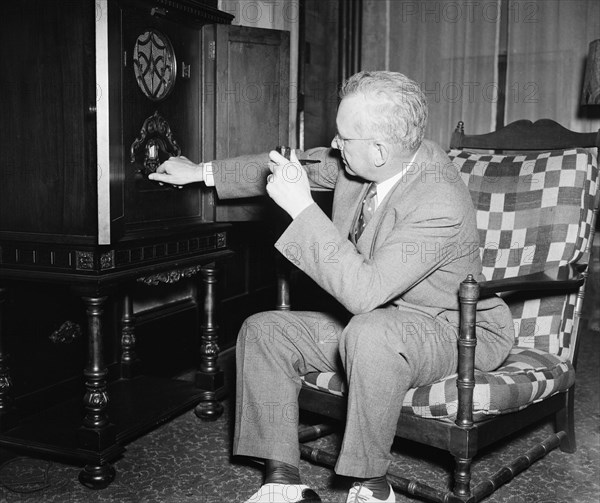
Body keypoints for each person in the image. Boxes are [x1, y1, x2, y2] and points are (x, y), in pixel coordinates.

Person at [149, 71, 515, 503]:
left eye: (343, 138)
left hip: (451, 329)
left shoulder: (440, 200)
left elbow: (363, 295)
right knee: (264, 331)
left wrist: (302, 207)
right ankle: (282, 481)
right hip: (382, 321)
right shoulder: (369, 157)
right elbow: (290, 163)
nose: (334, 146)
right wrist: (201, 172)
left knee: (369, 331)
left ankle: (371, 485)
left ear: (380, 149)